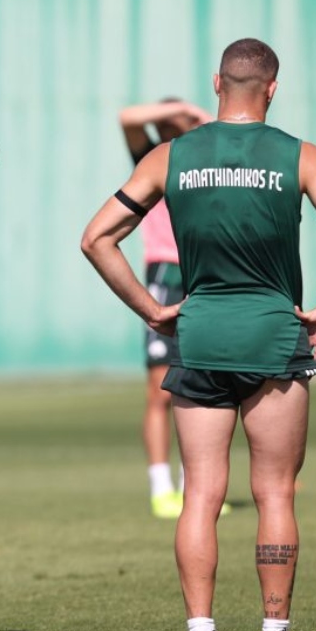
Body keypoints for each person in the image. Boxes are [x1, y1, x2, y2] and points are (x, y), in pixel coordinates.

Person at [81, 39, 316, 631]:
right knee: (275, 493)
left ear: (217, 83)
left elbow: (97, 238)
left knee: (201, 495)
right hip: (274, 339)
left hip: (200, 338)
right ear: (273, 89)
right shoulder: (301, 156)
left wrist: (151, 309)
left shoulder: (170, 157)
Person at [118, 99, 216, 519]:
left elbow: (228, 128)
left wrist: (196, 119)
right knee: (160, 388)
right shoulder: (154, 161)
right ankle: (161, 488)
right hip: (164, 275)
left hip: (203, 273)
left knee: (203, 384)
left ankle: (195, 487)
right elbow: (127, 118)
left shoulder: (205, 161)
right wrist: (178, 107)